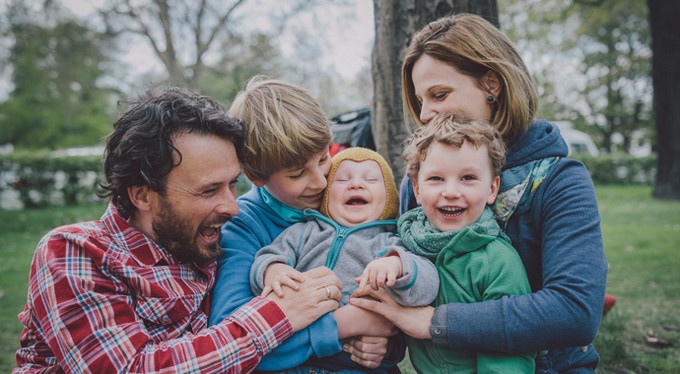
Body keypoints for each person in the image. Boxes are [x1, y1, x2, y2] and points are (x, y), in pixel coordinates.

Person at [13, 87, 342, 373]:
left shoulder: (207, 242)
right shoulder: (75, 252)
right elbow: (131, 367)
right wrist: (278, 315)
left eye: (232, 185)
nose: (232, 206)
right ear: (143, 195)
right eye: (209, 190)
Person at [349, 13, 608, 373]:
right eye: (420, 99)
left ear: (492, 84)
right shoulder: (419, 185)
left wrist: (433, 323)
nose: (425, 114)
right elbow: (400, 294)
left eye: (439, 94)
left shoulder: (559, 181)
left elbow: (574, 312)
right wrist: (380, 341)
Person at [209, 77, 399, 372]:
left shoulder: (351, 197)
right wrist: (340, 326)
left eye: (324, 157)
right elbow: (232, 342)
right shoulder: (243, 226)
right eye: (297, 174)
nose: (321, 181)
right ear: (256, 176)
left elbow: (390, 320)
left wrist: (384, 344)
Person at [249, 147, 439, 372]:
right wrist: (273, 270)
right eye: (342, 179)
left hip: (356, 364)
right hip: (295, 360)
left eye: (370, 179)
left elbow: (428, 285)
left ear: (388, 198)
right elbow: (267, 256)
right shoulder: (304, 232)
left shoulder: (390, 244)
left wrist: (397, 264)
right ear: (327, 194)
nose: (356, 184)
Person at [374, 113, 534, 372]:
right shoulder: (408, 245)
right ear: (416, 189)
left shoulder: (497, 260)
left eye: (468, 178)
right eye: (436, 179)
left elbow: (509, 350)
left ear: (492, 189)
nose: (450, 192)